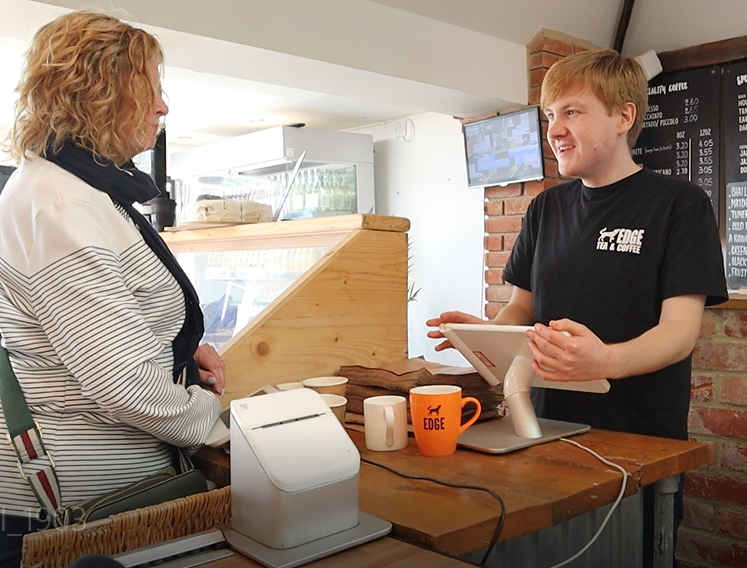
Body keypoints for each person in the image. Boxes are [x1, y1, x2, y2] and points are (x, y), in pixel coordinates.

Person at [427, 49, 728, 566]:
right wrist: (485, 338)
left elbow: (680, 331)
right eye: (549, 116)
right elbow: (521, 310)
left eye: (572, 111)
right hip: (540, 430)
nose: (554, 130)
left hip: (639, 446)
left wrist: (604, 361)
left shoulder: (680, 204)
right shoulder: (545, 208)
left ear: (624, 116)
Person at [0, 12, 224, 567]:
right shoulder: (62, 203)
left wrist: (173, 345)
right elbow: (122, 384)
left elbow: (98, 321)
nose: (163, 107)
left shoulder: (73, 186)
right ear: (100, 94)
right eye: (151, 89)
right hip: (78, 508)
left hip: (103, 492)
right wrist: (219, 422)